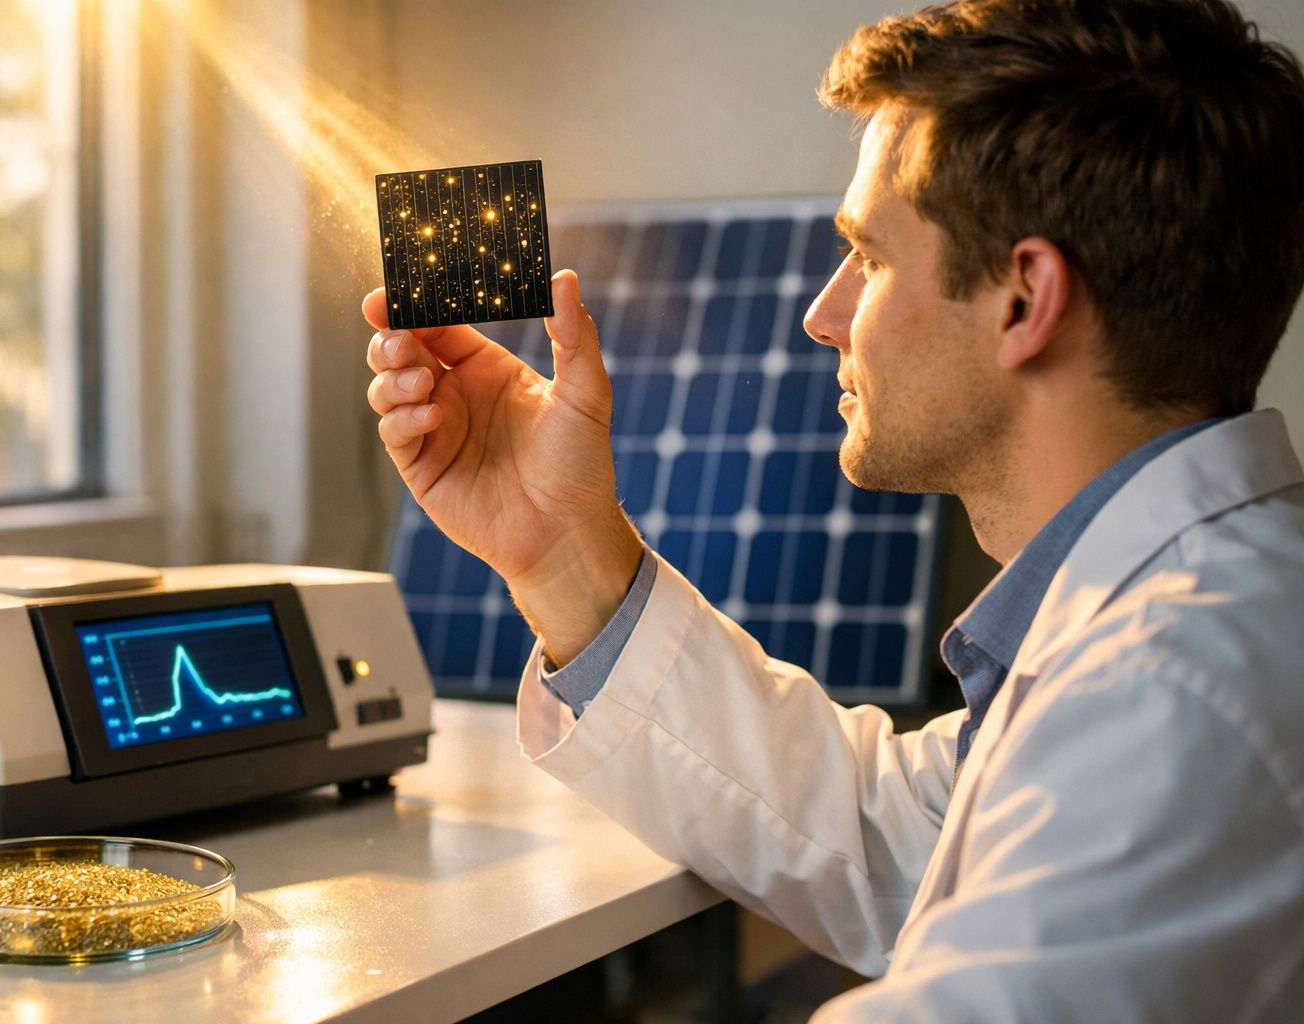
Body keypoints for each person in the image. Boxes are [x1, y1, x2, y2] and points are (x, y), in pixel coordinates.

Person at [362, 0, 1304, 1017]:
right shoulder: (1173, 635)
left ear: (1024, 301)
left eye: (871, 255)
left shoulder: (1179, 693)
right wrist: (558, 548)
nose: (822, 315)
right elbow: (883, 838)